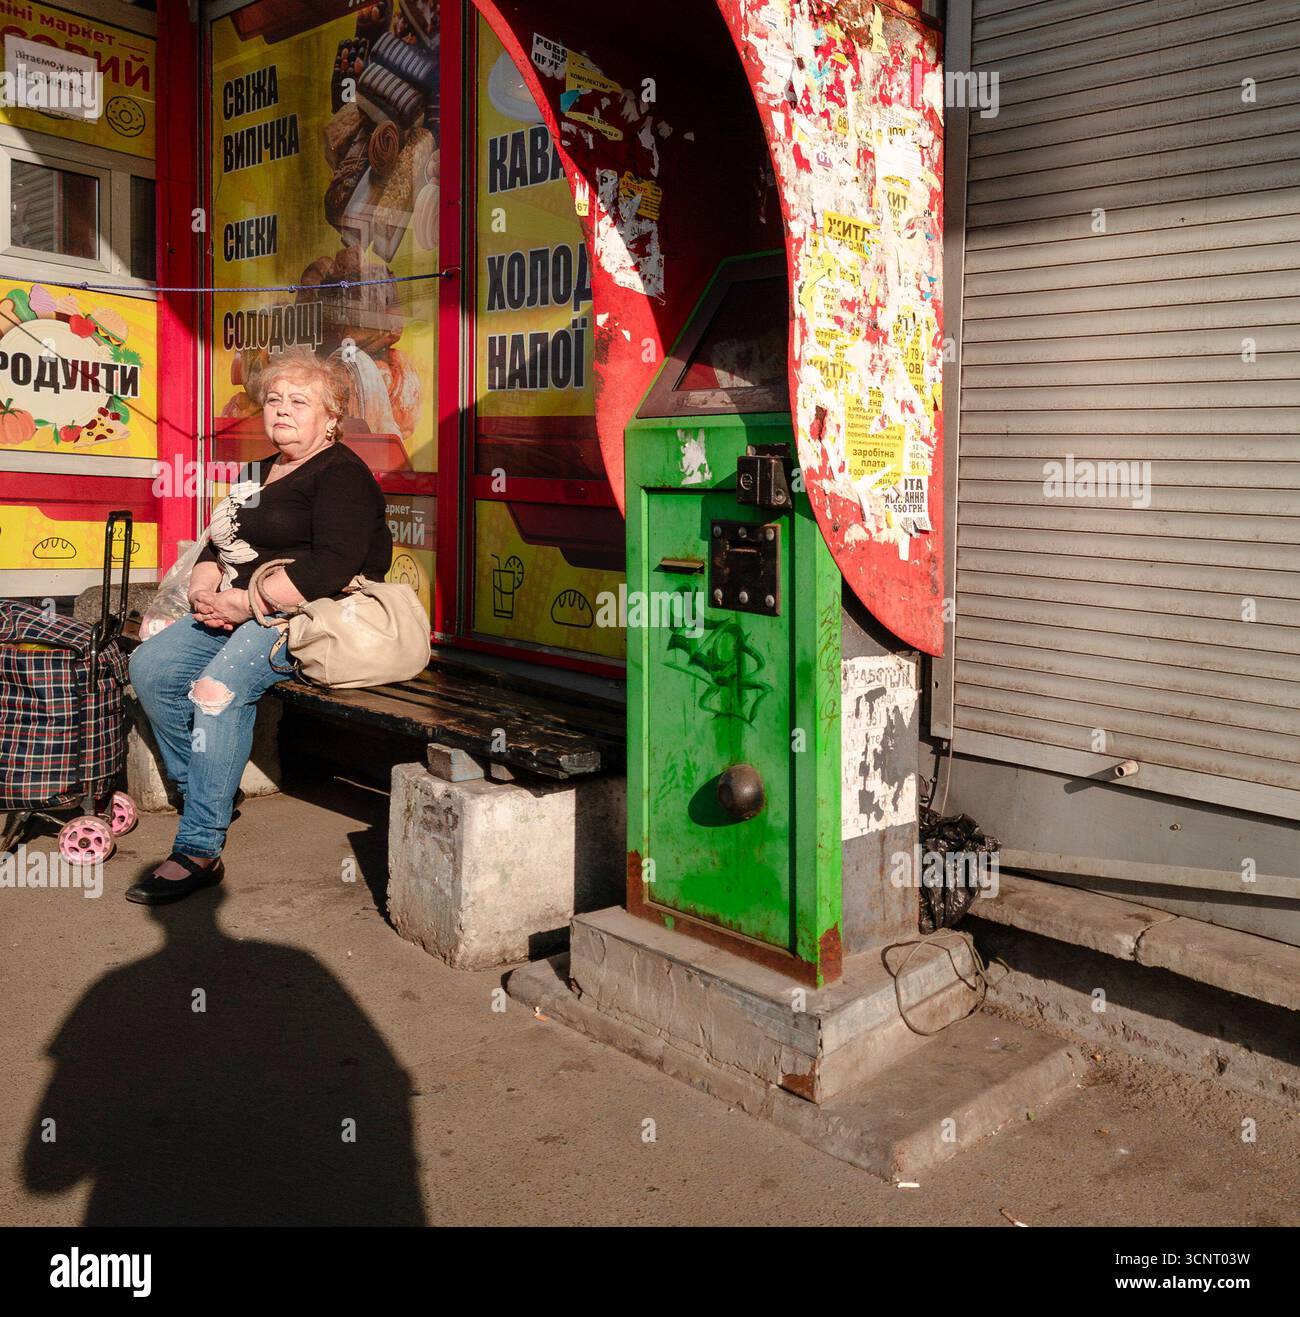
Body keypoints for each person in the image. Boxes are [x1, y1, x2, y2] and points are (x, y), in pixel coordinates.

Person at [126, 351, 392, 905]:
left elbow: (333, 565)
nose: (282, 412)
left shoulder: (341, 473)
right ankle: (204, 788)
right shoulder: (260, 470)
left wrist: (245, 604)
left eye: (299, 402)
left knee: (216, 692)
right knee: (149, 666)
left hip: (301, 613)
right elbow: (214, 540)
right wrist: (202, 588)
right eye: (274, 401)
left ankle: (199, 847)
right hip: (234, 603)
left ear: (331, 415)